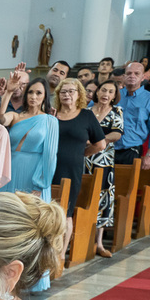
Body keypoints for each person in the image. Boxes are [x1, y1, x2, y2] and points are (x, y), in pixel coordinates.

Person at [53, 79, 105, 257]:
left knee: (66, 212)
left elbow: (100, 144)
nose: (67, 95)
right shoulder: (52, 114)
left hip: (72, 170)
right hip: (49, 167)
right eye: (63, 91)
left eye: (71, 91)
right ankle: (48, 252)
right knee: (49, 210)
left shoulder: (86, 116)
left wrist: (82, 154)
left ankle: (61, 255)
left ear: (79, 94)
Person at [0, 77, 60, 203]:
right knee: (7, 210)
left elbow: (50, 155)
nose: (33, 96)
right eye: (30, 92)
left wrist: (40, 185)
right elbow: (0, 118)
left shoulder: (50, 121)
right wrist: (9, 92)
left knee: (31, 212)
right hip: (11, 169)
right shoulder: (15, 116)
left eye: (38, 93)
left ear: (45, 96)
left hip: (34, 174)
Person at [86, 80, 124, 255]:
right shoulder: (86, 111)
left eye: (110, 91)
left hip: (104, 160)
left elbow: (117, 133)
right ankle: (80, 239)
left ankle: (99, 243)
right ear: (97, 92)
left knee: (102, 198)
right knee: (84, 195)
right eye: (103, 90)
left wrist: (99, 141)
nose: (106, 94)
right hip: (85, 158)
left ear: (114, 96)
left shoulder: (117, 111)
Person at [117, 62, 150, 169]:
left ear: (143, 77)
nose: (132, 76)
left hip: (132, 149)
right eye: (129, 73)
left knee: (127, 180)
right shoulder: (114, 95)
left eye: (136, 73)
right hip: (108, 148)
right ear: (124, 76)